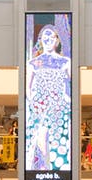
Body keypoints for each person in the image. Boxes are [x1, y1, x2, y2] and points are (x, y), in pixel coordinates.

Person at [24, 22, 72, 172]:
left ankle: (56, 167)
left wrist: (66, 99)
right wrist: (33, 103)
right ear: (40, 39)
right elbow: (28, 88)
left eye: (52, 36)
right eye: (45, 36)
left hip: (59, 107)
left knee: (58, 140)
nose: (48, 39)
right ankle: (42, 165)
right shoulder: (32, 63)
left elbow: (71, 84)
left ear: (57, 40)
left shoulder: (65, 62)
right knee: (39, 136)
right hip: (39, 106)